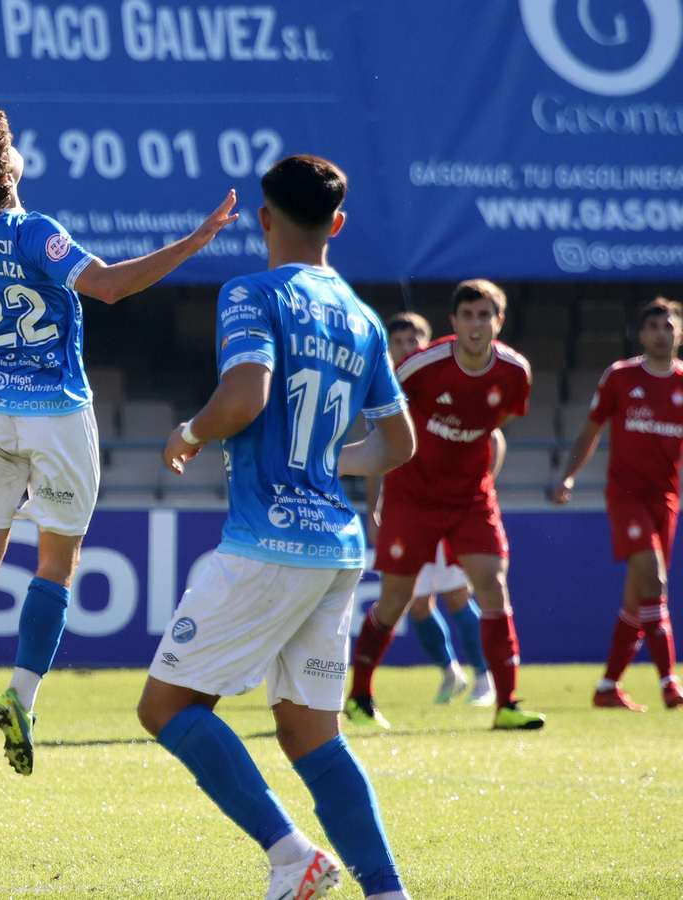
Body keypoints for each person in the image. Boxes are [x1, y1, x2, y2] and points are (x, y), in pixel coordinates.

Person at [0, 106, 239, 777]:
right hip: (57, 412)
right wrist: (194, 242)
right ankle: (22, 696)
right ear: (6, 169)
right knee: (57, 561)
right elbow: (112, 287)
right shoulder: (34, 230)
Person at [138, 154, 416, 900]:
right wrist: (325, 459)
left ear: (264, 218)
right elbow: (398, 446)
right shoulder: (361, 319)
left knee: (164, 707)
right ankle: (387, 891)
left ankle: (292, 855)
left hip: (268, 543)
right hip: (337, 544)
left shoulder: (251, 292)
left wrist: (192, 431)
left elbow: (246, 395)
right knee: (308, 732)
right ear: (339, 223)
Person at [353, 279, 544, 731]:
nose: (476, 324)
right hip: (412, 496)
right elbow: (381, 422)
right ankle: (359, 697)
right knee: (396, 599)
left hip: (470, 497)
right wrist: (374, 500)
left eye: (485, 315)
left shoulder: (516, 373)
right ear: (453, 322)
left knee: (492, 586)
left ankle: (507, 703)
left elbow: (494, 424)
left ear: (499, 321)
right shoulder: (420, 368)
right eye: (468, 315)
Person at [554, 296, 683, 712]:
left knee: (637, 600)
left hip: (666, 498)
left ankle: (608, 686)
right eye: (654, 326)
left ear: (679, 332)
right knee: (656, 582)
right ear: (641, 334)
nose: (662, 333)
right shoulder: (621, 377)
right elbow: (590, 431)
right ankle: (669, 683)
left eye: (669, 325)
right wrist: (568, 474)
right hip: (626, 496)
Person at [364, 311, 494, 706]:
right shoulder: (387, 392)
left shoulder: (443, 380)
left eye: (413, 340)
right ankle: (450, 671)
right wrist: (374, 510)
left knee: (456, 594)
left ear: (428, 342)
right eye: (398, 341)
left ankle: (485, 679)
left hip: (448, 506)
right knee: (416, 602)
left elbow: (494, 437)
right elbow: (375, 453)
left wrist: (482, 486)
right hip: (408, 510)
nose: (406, 348)